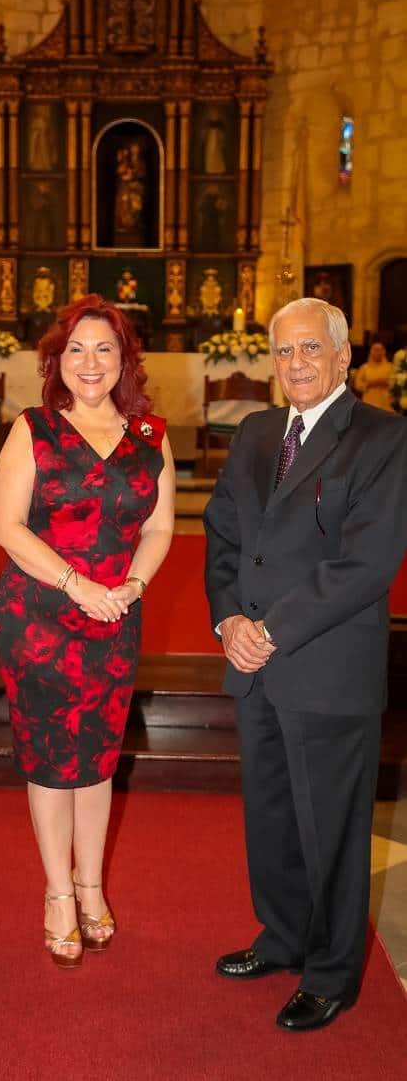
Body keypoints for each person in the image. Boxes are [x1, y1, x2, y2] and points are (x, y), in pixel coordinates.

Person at [203, 297, 407, 1032]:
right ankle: (282, 936)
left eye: (310, 349)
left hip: (325, 667)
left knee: (331, 830)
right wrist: (228, 617)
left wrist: (270, 630)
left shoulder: (383, 438)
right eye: (283, 351)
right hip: (252, 664)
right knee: (272, 817)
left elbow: (366, 562)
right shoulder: (256, 431)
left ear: (343, 356)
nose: (295, 363)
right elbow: (223, 531)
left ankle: (330, 971)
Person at [0, 294, 174, 968]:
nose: (89, 361)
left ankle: (91, 885)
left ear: (124, 359)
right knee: (50, 762)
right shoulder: (32, 428)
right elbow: (5, 526)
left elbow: (157, 527)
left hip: (114, 620)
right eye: (75, 349)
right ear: (56, 361)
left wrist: (130, 586)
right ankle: (56, 893)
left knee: (97, 761)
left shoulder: (152, 434)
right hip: (41, 617)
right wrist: (77, 585)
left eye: (104, 348)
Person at [353, 338, 394, 411]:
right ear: (371, 351)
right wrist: (371, 383)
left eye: (380, 350)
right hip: (369, 404)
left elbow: (396, 384)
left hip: (386, 405)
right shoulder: (364, 368)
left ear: (384, 351)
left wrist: (386, 382)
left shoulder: (390, 367)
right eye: (375, 350)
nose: (378, 352)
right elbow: (358, 385)